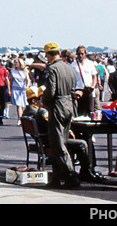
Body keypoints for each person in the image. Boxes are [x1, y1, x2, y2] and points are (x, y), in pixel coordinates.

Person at [42, 41, 79, 188]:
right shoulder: (69, 68)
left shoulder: (53, 69)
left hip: (57, 105)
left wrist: (43, 99)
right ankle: (56, 178)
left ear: (48, 55)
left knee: (57, 145)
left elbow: (51, 91)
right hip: (68, 104)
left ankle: (71, 175)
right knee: (62, 141)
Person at [73, 46, 98, 117]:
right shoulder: (73, 65)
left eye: (82, 54)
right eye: (78, 54)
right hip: (78, 89)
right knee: (80, 111)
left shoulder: (90, 63)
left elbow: (94, 76)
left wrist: (93, 86)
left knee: (90, 110)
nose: (80, 56)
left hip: (88, 89)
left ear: (85, 54)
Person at [9, 58, 30, 125]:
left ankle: (23, 117)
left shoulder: (25, 72)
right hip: (15, 89)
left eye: (17, 62)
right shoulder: (13, 72)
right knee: (19, 105)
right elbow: (11, 81)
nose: (15, 64)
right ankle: (20, 119)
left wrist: (27, 86)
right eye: (15, 63)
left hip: (23, 90)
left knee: (23, 104)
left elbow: (28, 80)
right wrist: (10, 89)